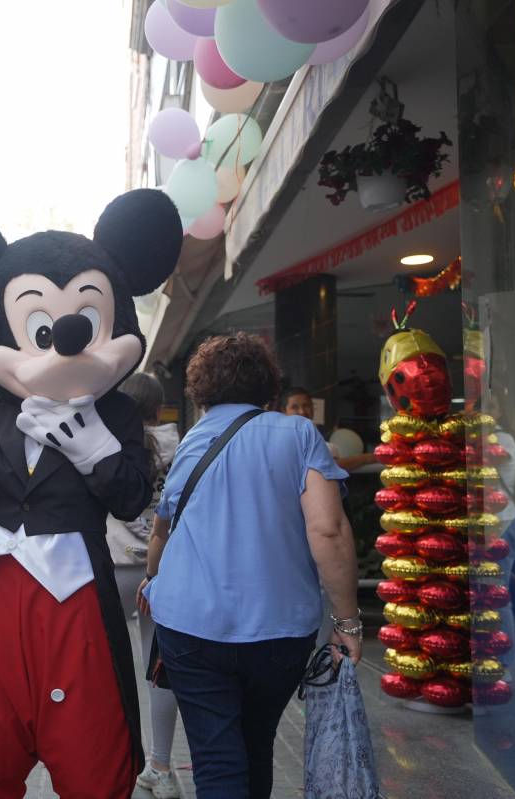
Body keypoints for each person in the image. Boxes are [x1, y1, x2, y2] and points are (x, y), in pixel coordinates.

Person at [138, 333, 361, 799]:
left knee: (218, 759)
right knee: (256, 745)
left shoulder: (191, 443)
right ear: (270, 389)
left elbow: (161, 533)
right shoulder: (299, 435)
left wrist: (153, 581)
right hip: (279, 633)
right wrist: (347, 621)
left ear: (200, 392)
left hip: (189, 627)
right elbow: (329, 531)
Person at [107, 372, 183, 798]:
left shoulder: (111, 444)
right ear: (158, 409)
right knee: (158, 671)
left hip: (115, 564)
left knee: (107, 666)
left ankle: (112, 756)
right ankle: (160, 766)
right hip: (161, 571)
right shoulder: (182, 446)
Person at [278, 386, 378, 472]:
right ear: (284, 410)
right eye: (295, 407)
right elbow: (328, 466)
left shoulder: (312, 434)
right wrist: (366, 458)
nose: (302, 411)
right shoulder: (284, 438)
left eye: (306, 405)